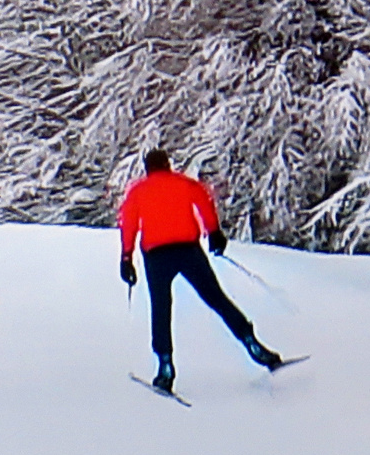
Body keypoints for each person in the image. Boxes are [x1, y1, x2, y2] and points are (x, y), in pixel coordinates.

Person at [118, 149, 285, 391]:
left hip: (156, 255)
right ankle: (253, 344)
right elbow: (204, 202)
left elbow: (129, 223)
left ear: (147, 168)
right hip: (188, 250)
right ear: (168, 164)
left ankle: (165, 367)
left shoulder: (137, 191)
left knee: (161, 308)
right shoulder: (184, 183)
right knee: (217, 298)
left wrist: (126, 257)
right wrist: (214, 233)